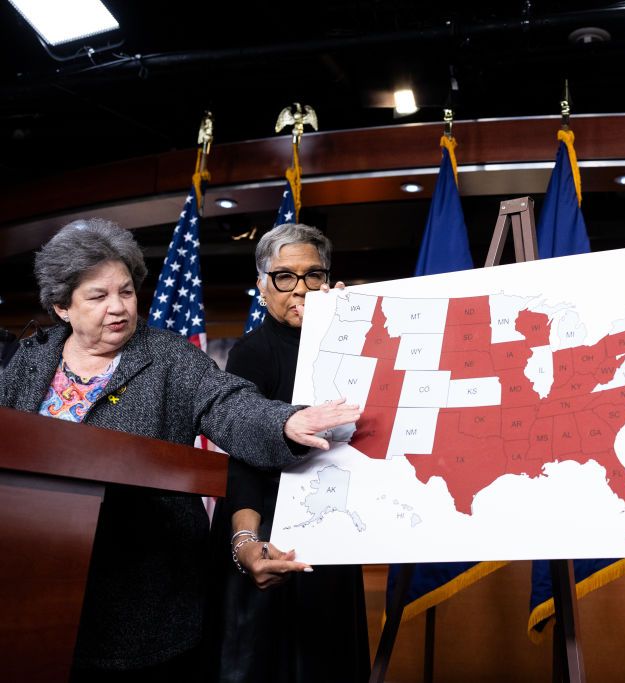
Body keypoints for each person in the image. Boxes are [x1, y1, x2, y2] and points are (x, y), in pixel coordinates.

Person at [0, 218, 362, 681]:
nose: (118, 308)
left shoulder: (171, 357)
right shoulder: (29, 361)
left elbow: (230, 405)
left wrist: (286, 421)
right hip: (36, 588)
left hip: (145, 599)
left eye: (126, 292)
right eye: (98, 296)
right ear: (61, 307)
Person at [206, 223, 370, 683]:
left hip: (332, 520)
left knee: (328, 660)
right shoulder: (252, 353)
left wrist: (349, 323)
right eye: (284, 276)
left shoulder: (347, 339)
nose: (300, 288)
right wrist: (246, 542)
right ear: (262, 285)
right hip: (268, 522)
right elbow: (244, 456)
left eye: (313, 275)